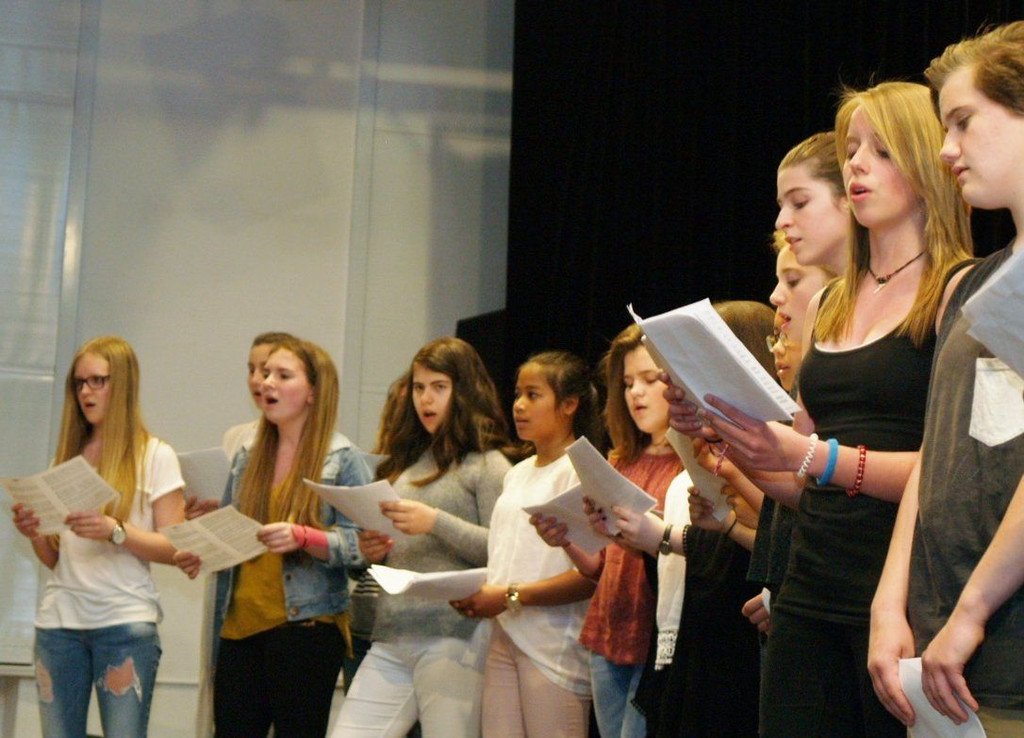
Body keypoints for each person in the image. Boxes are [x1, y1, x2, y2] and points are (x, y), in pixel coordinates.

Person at [667, 81, 973, 736]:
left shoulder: (957, 290)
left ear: (927, 162)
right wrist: (724, 434)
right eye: (851, 148)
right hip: (809, 592)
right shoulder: (832, 301)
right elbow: (802, 484)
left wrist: (813, 456)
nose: (857, 164)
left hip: (905, 595)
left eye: (880, 150)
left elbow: (951, 472)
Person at [869, 23, 1024, 737]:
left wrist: (973, 611)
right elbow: (937, 451)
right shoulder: (972, 287)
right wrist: (889, 602)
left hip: (1000, 646)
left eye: (963, 121)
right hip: (939, 653)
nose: (946, 150)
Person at [174, 337, 373, 737]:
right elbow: (234, 534)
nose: (267, 383)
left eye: (283, 375)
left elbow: (365, 547)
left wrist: (305, 538)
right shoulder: (248, 455)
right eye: (266, 374)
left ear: (313, 391)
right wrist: (201, 550)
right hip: (240, 628)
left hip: (306, 629)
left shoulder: (342, 458)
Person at [600, 301, 774, 737]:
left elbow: (779, 535)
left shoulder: (771, 448)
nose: (665, 386)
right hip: (697, 646)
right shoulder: (698, 453)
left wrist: (665, 535)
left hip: (737, 651)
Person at [332, 336, 515, 738]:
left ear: (463, 391)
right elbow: (396, 551)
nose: (425, 399)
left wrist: (435, 521)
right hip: (392, 631)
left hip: (455, 637)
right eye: (418, 387)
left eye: (438, 387)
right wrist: (372, 550)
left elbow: (503, 551)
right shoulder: (406, 464)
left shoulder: (488, 464)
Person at [11, 335, 185, 737]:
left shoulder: (155, 455)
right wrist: (35, 532)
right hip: (59, 624)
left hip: (124, 623)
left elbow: (176, 547)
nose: (86, 392)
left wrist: (116, 531)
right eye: (79, 383)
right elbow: (56, 559)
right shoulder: (67, 458)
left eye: (97, 381)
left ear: (122, 384)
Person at [531, 324, 681, 738]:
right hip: (609, 629)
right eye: (628, 383)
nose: (636, 393)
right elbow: (601, 567)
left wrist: (642, 538)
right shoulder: (621, 460)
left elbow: (689, 552)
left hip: (654, 636)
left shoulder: (691, 464)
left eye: (650, 380)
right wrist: (567, 538)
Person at [451, 351, 600, 737]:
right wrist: (481, 593)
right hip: (504, 633)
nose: (518, 405)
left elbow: (591, 575)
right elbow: (510, 555)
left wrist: (510, 596)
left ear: (569, 404)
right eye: (517, 394)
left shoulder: (581, 471)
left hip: (554, 645)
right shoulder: (516, 473)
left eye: (533, 395)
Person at [191, 330, 296, 738]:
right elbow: (235, 509)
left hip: (283, 602)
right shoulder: (237, 437)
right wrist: (211, 513)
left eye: (268, 371)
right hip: (234, 588)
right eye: (252, 370)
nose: (258, 380)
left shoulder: (308, 441)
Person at [742, 229, 838, 635]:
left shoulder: (835, 386)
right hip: (793, 589)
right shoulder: (805, 384)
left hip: (826, 596)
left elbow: (807, 491)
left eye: (793, 281)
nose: (775, 297)